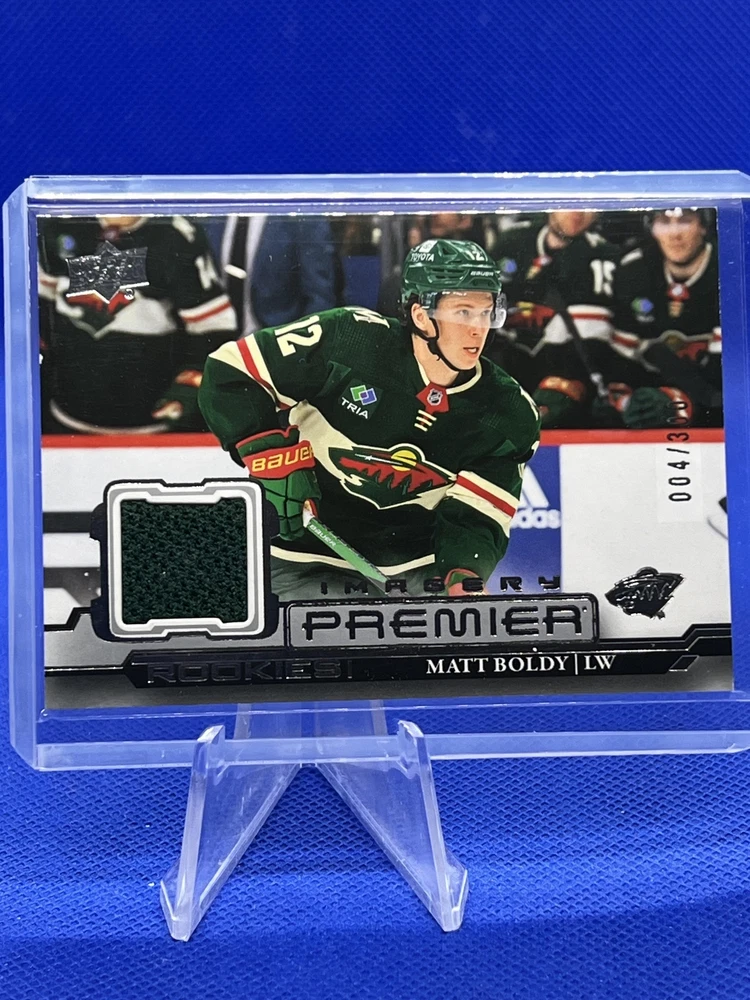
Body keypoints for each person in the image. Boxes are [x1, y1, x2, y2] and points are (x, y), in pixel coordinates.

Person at [199, 238, 540, 600]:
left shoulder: (508, 412)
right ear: (421, 316)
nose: (478, 329)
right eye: (463, 313)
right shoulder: (349, 338)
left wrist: (463, 576)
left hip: (414, 567)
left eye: (486, 313)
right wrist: (269, 455)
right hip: (299, 551)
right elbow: (230, 370)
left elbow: (477, 516)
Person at [38, 215, 237, 434]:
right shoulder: (59, 223)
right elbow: (37, 311)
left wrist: (188, 387)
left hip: (152, 422)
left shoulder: (176, 235)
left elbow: (213, 326)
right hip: (66, 415)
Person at [485, 211, 621, 426]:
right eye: (569, 200)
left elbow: (590, 348)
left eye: (588, 202)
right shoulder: (512, 241)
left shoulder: (603, 256)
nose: (577, 212)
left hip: (561, 377)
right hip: (504, 369)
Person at [600, 208, 722, 428]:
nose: (674, 234)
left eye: (685, 221)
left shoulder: (730, 267)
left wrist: (685, 402)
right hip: (657, 392)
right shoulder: (633, 270)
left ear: (703, 226)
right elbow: (622, 362)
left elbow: (728, 381)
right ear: (652, 228)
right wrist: (625, 402)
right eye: (664, 222)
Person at [221, 214, 339, 333]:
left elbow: (319, 297)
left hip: (278, 336)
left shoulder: (303, 216)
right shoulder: (216, 210)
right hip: (219, 335)